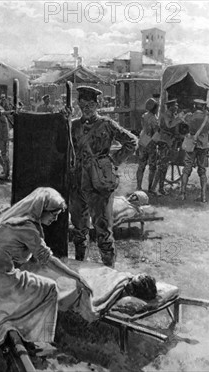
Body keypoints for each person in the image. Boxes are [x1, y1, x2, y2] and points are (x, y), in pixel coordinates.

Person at [0, 187, 93, 348]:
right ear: (41, 209)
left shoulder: (15, 220)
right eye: (53, 214)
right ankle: (35, 338)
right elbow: (47, 259)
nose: (55, 219)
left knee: (30, 287)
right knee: (49, 288)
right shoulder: (28, 229)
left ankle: (23, 330)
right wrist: (75, 277)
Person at [69, 86, 137, 267]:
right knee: (79, 229)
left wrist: (113, 161)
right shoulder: (73, 125)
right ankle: (79, 266)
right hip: (77, 182)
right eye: (83, 104)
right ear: (78, 104)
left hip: (100, 182)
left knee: (103, 231)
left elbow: (131, 141)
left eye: (90, 104)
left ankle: (109, 271)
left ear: (96, 105)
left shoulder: (107, 124)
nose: (86, 108)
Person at [178, 99, 209, 202]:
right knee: (202, 170)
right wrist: (208, 113)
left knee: (186, 169)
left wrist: (185, 111)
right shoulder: (208, 118)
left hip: (192, 144)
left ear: (195, 106)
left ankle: (182, 194)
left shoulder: (190, 116)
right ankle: (203, 196)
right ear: (204, 107)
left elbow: (180, 117)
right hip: (203, 145)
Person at [151, 98, 184, 195]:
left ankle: (160, 188)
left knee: (164, 166)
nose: (177, 107)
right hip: (163, 141)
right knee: (162, 166)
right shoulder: (166, 115)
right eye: (175, 106)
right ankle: (154, 188)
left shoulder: (172, 115)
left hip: (169, 141)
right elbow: (169, 125)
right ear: (171, 107)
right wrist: (179, 118)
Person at [136, 98, 160, 191]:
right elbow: (155, 131)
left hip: (143, 140)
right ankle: (150, 188)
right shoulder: (154, 118)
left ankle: (138, 186)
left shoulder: (144, 116)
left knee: (141, 165)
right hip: (151, 142)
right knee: (152, 166)